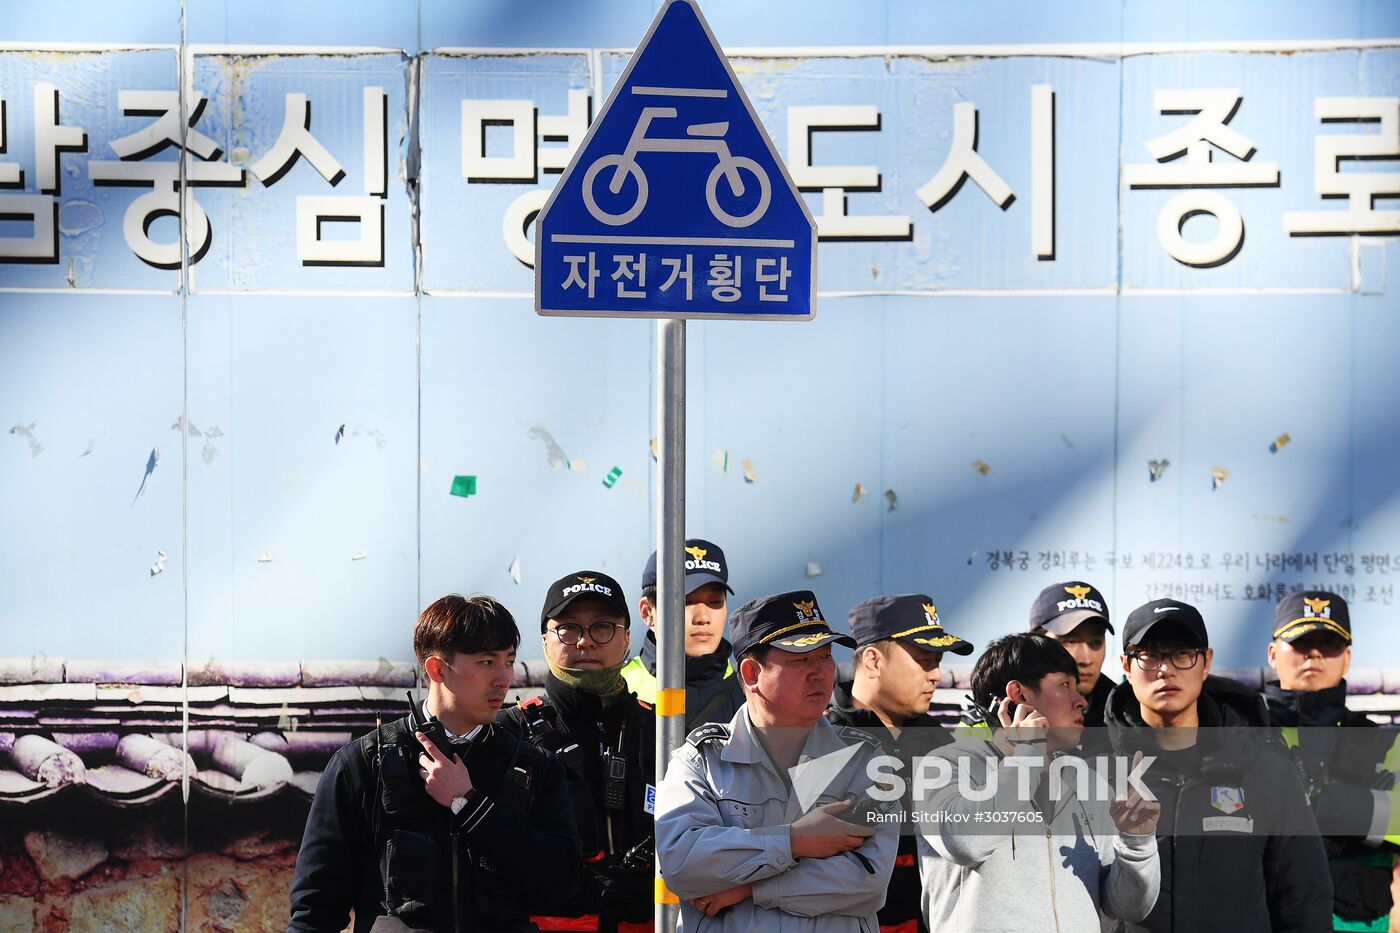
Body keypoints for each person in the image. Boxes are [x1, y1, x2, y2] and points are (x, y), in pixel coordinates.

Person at [287, 593, 581, 933]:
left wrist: (470, 806)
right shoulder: (362, 764)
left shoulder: (534, 766)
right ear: (437, 669)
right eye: (487, 662)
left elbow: (563, 884)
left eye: (509, 661)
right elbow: (315, 909)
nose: (504, 677)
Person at [656, 590, 898, 932]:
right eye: (802, 660)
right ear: (752, 673)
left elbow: (868, 881)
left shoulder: (865, 761)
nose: (821, 673)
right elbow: (682, 864)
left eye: (826, 656)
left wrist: (750, 888)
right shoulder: (700, 762)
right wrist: (795, 841)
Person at [1104, 598, 1332, 933]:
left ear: (1206, 662)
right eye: (1149, 655)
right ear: (1126, 664)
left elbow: (1304, 898)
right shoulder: (1097, 772)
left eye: (1183, 654)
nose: (1165, 669)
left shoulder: (1265, 767)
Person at [918, 632, 1161, 933]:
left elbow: (1128, 908)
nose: (1081, 701)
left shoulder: (1089, 782)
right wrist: (1027, 753)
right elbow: (965, 842)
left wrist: (1136, 843)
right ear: (1018, 695)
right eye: (1065, 685)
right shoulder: (943, 766)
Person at [497, 571, 655, 933]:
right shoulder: (509, 733)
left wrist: (657, 886)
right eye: (568, 628)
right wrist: (582, 887)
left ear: (628, 637)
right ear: (544, 641)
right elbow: (491, 854)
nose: (586, 642)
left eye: (603, 627)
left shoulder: (662, 731)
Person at [826, 594, 973, 933]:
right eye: (924, 661)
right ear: (874, 662)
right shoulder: (820, 740)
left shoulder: (940, 742)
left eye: (937, 662)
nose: (936, 675)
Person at [1264, 590, 1400, 932]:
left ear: (1348, 658)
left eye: (1329, 644)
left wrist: (1331, 806)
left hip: (1355, 920)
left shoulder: (1384, 740)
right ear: (1272, 653)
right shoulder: (1244, 735)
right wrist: (1367, 813)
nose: (1314, 654)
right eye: (1301, 642)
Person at [622, 537, 744, 730]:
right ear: (647, 612)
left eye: (714, 602)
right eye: (685, 602)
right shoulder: (619, 688)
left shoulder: (753, 691)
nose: (703, 617)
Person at [1029, 580, 1116, 727]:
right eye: (1069, 641)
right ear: (1034, 643)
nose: (1086, 659)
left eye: (1096, 642)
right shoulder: (995, 710)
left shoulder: (1124, 712)